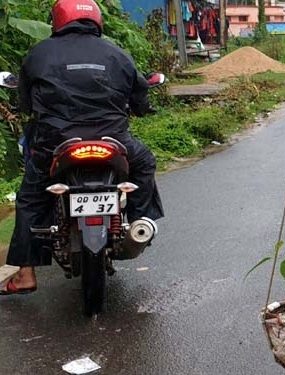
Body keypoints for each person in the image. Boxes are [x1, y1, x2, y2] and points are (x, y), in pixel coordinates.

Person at [1, 0, 164, 295]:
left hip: (56, 142)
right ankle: (140, 221)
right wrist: (140, 109)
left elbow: (25, 104)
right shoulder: (118, 54)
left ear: (57, 21)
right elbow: (140, 98)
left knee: (31, 196)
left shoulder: (39, 53)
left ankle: (25, 275)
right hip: (112, 140)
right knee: (144, 162)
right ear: (97, 21)